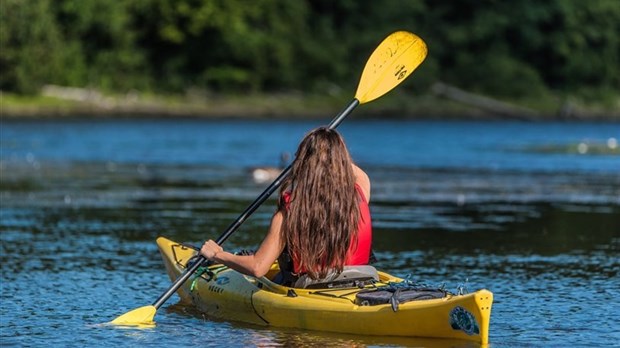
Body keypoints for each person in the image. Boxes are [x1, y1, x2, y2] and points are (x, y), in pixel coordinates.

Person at [200, 127, 372, 286]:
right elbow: (353, 171)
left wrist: (218, 255)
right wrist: (333, 151)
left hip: (310, 288)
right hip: (360, 281)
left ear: (303, 164)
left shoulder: (289, 213)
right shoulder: (361, 191)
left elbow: (258, 268)